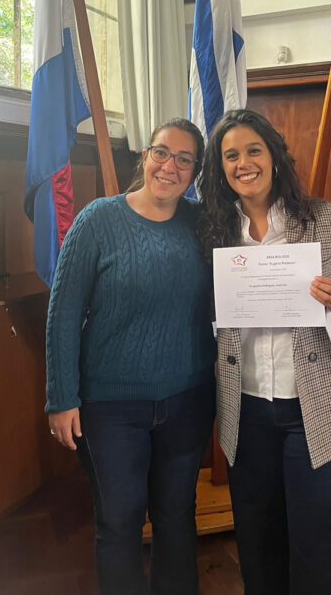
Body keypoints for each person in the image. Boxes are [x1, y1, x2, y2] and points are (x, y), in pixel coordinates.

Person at [197, 109, 331, 595]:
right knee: (258, 540)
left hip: (316, 406)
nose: (243, 163)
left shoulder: (320, 217)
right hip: (246, 409)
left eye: (253, 150)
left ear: (274, 157)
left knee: (323, 544)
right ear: (221, 168)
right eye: (231, 155)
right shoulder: (214, 230)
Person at [45, 117, 216, 595]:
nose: (170, 166)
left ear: (195, 171)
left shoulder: (203, 225)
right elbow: (63, 313)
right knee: (119, 522)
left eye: (185, 159)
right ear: (145, 156)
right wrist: (61, 397)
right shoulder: (97, 220)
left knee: (177, 516)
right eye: (162, 152)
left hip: (188, 400)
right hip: (110, 407)